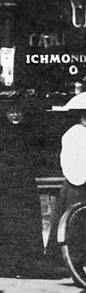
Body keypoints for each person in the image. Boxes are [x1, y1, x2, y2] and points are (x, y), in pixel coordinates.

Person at [0, 97, 47, 277]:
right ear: (5, 113)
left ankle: (26, 266)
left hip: (24, 185)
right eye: (11, 112)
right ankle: (5, 265)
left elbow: (37, 157)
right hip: (3, 186)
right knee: (3, 225)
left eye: (19, 111)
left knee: (24, 224)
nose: (15, 115)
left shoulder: (30, 133)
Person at [46, 93, 86, 264]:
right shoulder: (73, 134)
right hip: (78, 185)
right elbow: (69, 162)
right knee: (75, 225)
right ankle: (74, 262)